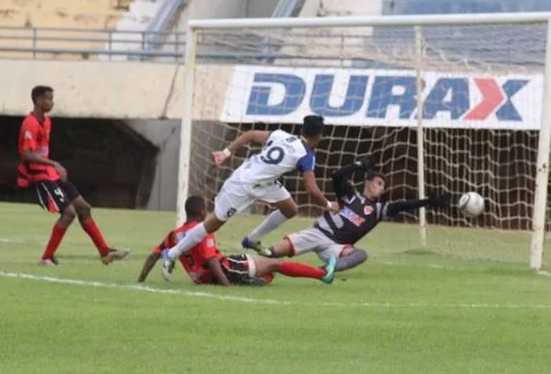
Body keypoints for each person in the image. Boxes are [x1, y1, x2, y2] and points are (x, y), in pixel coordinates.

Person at [160, 115, 338, 280]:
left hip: (264, 183)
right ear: (320, 136)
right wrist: (328, 204)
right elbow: (311, 188)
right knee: (213, 224)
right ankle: (172, 253)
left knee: (290, 208)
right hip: (242, 185)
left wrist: (226, 152)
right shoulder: (306, 154)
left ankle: (252, 239)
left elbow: (251, 135)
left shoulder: (281, 135)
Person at [258, 157, 449, 271]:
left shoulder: (378, 210)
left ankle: (327, 269)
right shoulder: (350, 195)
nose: (382, 189)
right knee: (271, 252)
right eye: (379, 183)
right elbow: (337, 175)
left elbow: (404, 205)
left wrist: (429, 201)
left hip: (336, 247)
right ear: (367, 182)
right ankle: (253, 259)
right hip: (317, 233)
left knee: (361, 254)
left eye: (384, 186)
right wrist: (357, 165)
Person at [17, 85, 129, 266]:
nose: (51, 103)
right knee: (68, 213)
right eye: (48, 99)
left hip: (50, 174)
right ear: (38, 100)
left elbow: (41, 151)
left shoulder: (46, 122)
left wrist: (54, 169)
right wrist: (54, 164)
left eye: (52, 99)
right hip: (38, 177)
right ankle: (46, 258)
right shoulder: (29, 123)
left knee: (83, 208)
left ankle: (105, 252)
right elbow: (26, 154)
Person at [139, 195, 336, 285]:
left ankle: (257, 279)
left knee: (265, 270)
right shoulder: (203, 230)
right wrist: (227, 286)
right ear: (201, 212)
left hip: (202, 278)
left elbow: (154, 255)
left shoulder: (174, 235)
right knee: (275, 265)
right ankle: (322, 275)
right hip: (223, 269)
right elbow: (211, 259)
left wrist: (141, 280)